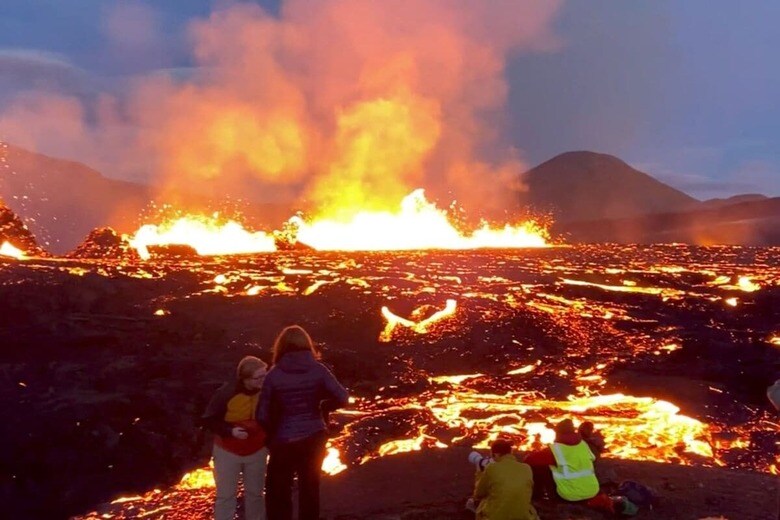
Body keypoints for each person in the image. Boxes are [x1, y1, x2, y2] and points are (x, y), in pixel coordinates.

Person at [259, 325, 349, 520]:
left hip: (283, 440)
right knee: (310, 489)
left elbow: (262, 414)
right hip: (314, 436)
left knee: (279, 491)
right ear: (307, 345)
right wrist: (324, 407)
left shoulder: (273, 375)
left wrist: (270, 438)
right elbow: (343, 397)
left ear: (280, 347)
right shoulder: (319, 370)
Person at [202, 356, 269, 520]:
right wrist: (231, 431)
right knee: (226, 496)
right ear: (245, 379)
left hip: (257, 450)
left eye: (265, 375)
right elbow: (209, 420)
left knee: (256, 494)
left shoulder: (267, 391)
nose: (263, 380)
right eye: (258, 377)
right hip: (227, 451)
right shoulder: (226, 393)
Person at [523, 419, 600, 503]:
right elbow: (594, 458)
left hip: (568, 494)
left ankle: (537, 498)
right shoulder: (584, 445)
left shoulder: (555, 450)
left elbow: (529, 460)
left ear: (558, 434)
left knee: (539, 467)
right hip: (591, 491)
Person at [469, 438, 539, 520]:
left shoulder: (492, 468)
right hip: (523, 516)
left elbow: (478, 494)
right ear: (510, 452)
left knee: (472, 503)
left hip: (495, 517)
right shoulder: (526, 468)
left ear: (496, 454)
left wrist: (479, 473)